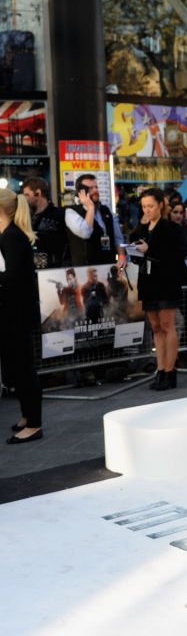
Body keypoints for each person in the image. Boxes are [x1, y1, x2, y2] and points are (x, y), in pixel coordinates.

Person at [130, 188, 187, 390]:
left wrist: (151, 250)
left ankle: (170, 371)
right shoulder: (143, 227)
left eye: (151, 206)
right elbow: (133, 245)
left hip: (166, 280)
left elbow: (181, 252)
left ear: (160, 205)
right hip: (148, 281)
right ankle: (161, 368)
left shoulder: (171, 227)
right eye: (144, 206)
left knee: (167, 325)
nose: (147, 210)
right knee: (155, 327)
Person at [0, 188, 43, 444]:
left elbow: (14, 276)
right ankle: (28, 416)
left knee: (23, 368)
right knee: (16, 368)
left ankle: (35, 423)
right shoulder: (8, 235)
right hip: (11, 312)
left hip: (16, 314)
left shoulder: (12, 237)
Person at [65, 174, 126, 267]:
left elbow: (118, 238)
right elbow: (85, 233)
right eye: (90, 188)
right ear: (80, 193)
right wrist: (90, 207)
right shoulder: (71, 212)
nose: (95, 190)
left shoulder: (106, 211)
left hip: (109, 266)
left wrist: (121, 256)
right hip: (85, 269)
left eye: (96, 187)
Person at [22, 176, 69, 268]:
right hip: (31, 269)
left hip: (54, 268)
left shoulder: (59, 214)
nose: (24, 198)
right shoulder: (26, 216)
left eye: (27, 195)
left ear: (38, 193)